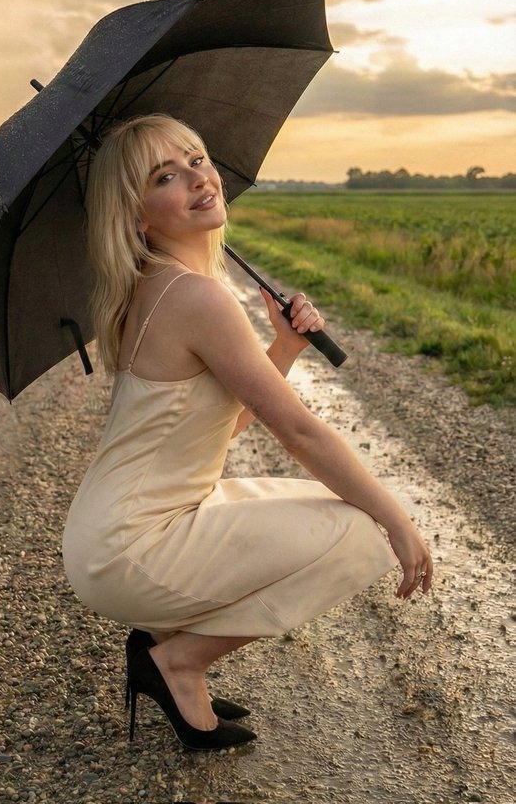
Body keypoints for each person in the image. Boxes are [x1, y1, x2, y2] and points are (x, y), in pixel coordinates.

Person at [62, 114, 433, 751]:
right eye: (166, 176)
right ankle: (178, 661)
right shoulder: (197, 299)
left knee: (321, 509)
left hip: (120, 529)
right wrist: (399, 519)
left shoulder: (152, 287)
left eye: (196, 159)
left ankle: (160, 642)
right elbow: (300, 432)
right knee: (359, 530)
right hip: (133, 542)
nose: (198, 179)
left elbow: (220, 425)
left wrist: (282, 347)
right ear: (138, 215)